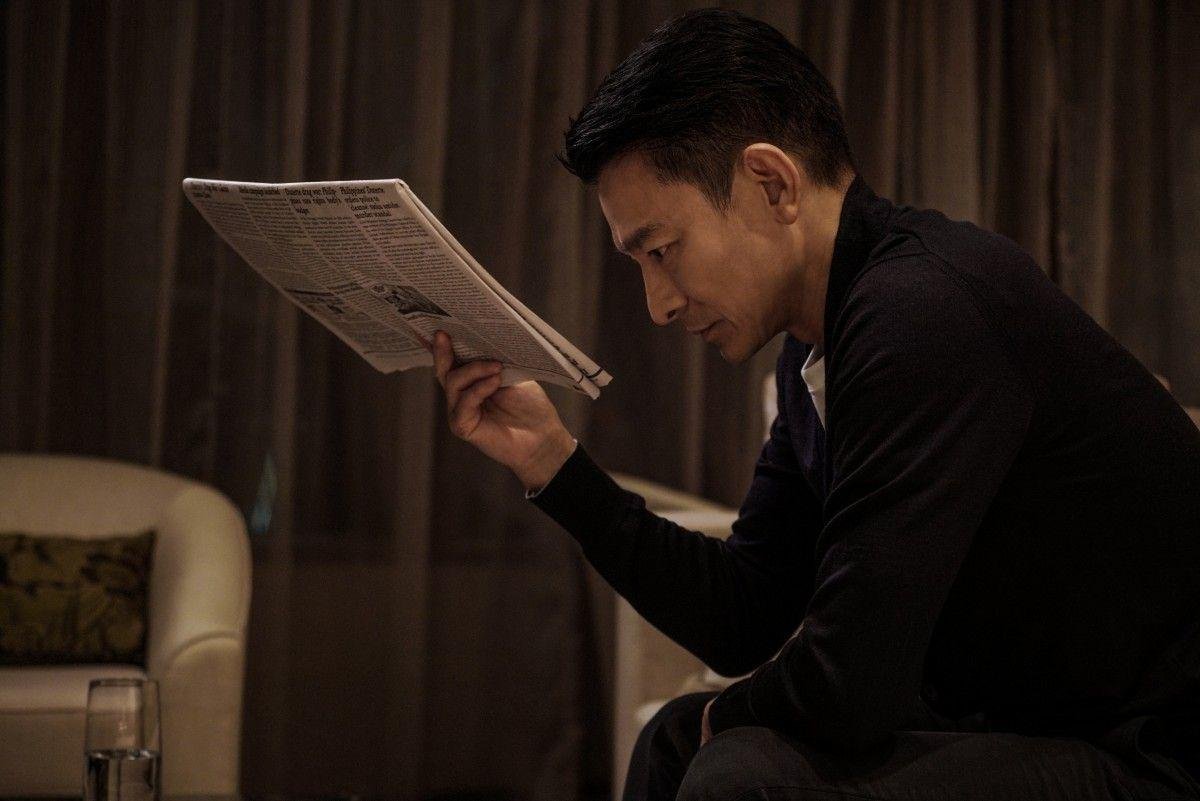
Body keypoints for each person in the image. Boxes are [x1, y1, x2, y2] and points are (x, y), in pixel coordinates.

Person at [429, 8, 1200, 800]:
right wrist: (552, 462)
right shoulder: (820, 346)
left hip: (1154, 748)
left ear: (773, 183)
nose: (658, 303)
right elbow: (743, 613)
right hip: (1030, 721)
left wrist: (723, 719)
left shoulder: (925, 312)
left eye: (661, 250)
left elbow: (850, 680)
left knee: (738, 775)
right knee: (676, 740)